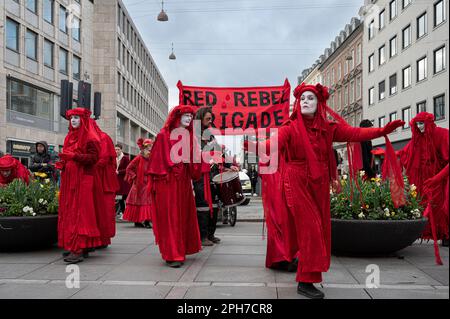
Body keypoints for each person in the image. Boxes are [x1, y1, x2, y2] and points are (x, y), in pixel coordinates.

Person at [248, 83, 404, 299]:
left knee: (319, 229)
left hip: (319, 181)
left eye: (310, 98)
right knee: (310, 228)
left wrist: (381, 130)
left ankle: (308, 274)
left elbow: (355, 132)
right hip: (296, 180)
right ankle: (305, 281)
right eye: (302, 98)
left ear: (319, 103)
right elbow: (272, 144)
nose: (305, 102)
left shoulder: (328, 129)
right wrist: (253, 145)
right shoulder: (290, 128)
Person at [149, 105, 202, 268]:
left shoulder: (190, 136)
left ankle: (179, 249)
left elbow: (195, 162)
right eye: (186, 115)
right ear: (176, 117)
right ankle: (173, 253)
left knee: (182, 215)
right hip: (168, 181)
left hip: (183, 182)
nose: (189, 119)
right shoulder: (163, 135)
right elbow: (159, 161)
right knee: (170, 216)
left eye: (191, 116)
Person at [398, 112, 449, 259]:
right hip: (425, 181)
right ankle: (426, 232)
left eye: (422, 123)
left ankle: (445, 234)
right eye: (417, 124)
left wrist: (438, 178)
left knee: (441, 207)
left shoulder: (443, 135)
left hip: (441, 180)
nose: (420, 127)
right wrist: (389, 152)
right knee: (424, 205)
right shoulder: (418, 139)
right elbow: (406, 152)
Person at [56, 108, 102, 264]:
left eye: (76, 117)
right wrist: (63, 163)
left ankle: (78, 248)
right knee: (71, 211)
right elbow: (70, 156)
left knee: (80, 212)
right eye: (71, 118)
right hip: (70, 179)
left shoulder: (90, 137)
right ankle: (77, 246)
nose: (73, 120)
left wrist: (74, 156)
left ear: (83, 119)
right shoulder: (69, 136)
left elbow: (94, 158)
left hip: (83, 179)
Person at [193, 107, 239, 246]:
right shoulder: (193, 135)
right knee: (203, 206)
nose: (210, 121)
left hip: (212, 175)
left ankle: (211, 234)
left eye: (211, 118)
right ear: (200, 118)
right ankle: (202, 236)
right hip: (199, 176)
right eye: (208, 118)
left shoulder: (210, 136)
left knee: (215, 204)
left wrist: (229, 164)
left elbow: (219, 151)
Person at [92, 121, 120, 249]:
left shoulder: (102, 137)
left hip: (103, 180)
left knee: (105, 210)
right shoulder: (100, 137)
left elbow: (102, 159)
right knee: (100, 211)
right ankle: (101, 238)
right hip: (101, 179)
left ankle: (103, 238)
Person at [123, 138, 154, 229]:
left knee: (147, 202)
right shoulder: (138, 158)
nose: (150, 150)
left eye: (151, 148)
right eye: (148, 148)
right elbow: (129, 168)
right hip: (139, 184)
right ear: (143, 149)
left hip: (148, 183)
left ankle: (147, 220)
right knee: (138, 202)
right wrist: (135, 177)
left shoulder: (153, 158)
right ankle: (138, 221)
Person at [116, 144, 131, 217]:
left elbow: (128, 169)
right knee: (120, 198)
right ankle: (123, 213)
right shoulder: (115, 158)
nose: (116, 151)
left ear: (121, 150)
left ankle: (128, 213)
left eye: (118, 149)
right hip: (117, 181)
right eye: (115, 149)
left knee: (126, 197)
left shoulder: (125, 158)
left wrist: (119, 172)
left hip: (124, 181)